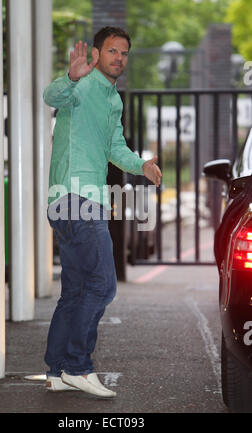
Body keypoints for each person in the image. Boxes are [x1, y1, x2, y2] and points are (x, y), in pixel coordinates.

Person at [43, 26, 162, 397]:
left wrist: (141, 165)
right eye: (112, 51)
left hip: (75, 201)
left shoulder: (113, 99)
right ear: (96, 54)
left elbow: (115, 147)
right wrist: (69, 76)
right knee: (103, 285)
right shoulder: (80, 86)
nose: (119, 58)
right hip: (76, 199)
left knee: (76, 290)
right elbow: (51, 95)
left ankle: (58, 370)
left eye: (124, 53)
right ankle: (79, 366)